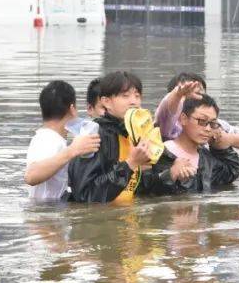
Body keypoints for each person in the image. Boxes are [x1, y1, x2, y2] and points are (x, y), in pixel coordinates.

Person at [67, 71, 189, 204]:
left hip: (129, 213)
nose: (133, 102)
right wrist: (130, 164)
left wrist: (171, 174)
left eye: (137, 96)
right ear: (106, 101)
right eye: (125, 96)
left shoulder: (136, 133)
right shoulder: (93, 135)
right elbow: (86, 196)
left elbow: (141, 189)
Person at [146, 94, 239, 196]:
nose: (208, 129)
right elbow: (145, 189)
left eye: (212, 123)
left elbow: (231, 172)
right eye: (202, 121)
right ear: (183, 119)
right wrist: (171, 174)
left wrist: (220, 147)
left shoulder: (207, 159)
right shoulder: (159, 153)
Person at [25, 80, 101, 203]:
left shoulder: (48, 138)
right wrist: (73, 150)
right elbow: (31, 176)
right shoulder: (49, 139)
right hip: (47, 211)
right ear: (72, 109)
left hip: (50, 208)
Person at [154, 72, 239, 153]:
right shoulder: (169, 126)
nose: (192, 100)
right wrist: (177, 94)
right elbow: (165, 113)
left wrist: (228, 139)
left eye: (198, 94)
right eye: (185, 95)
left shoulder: (215, 124)